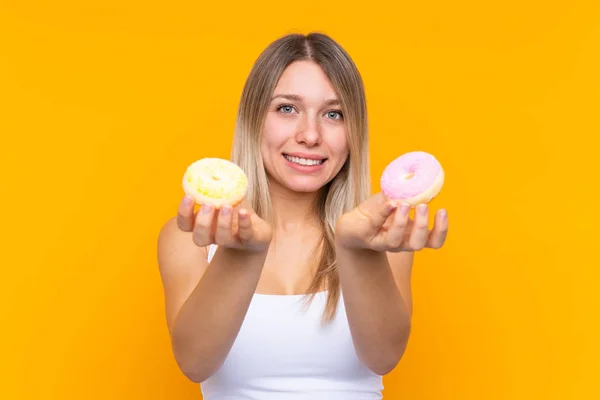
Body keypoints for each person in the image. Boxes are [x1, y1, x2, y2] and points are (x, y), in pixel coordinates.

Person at [157, 32, 449, 399]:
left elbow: (383, 357)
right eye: (287, 108)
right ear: (253, 119)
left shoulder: (383, 235)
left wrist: (355, 250)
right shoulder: (194, 237)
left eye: (333, 114)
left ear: (352, 130)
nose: (310, 135)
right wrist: (242, 254)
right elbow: (195, 362)